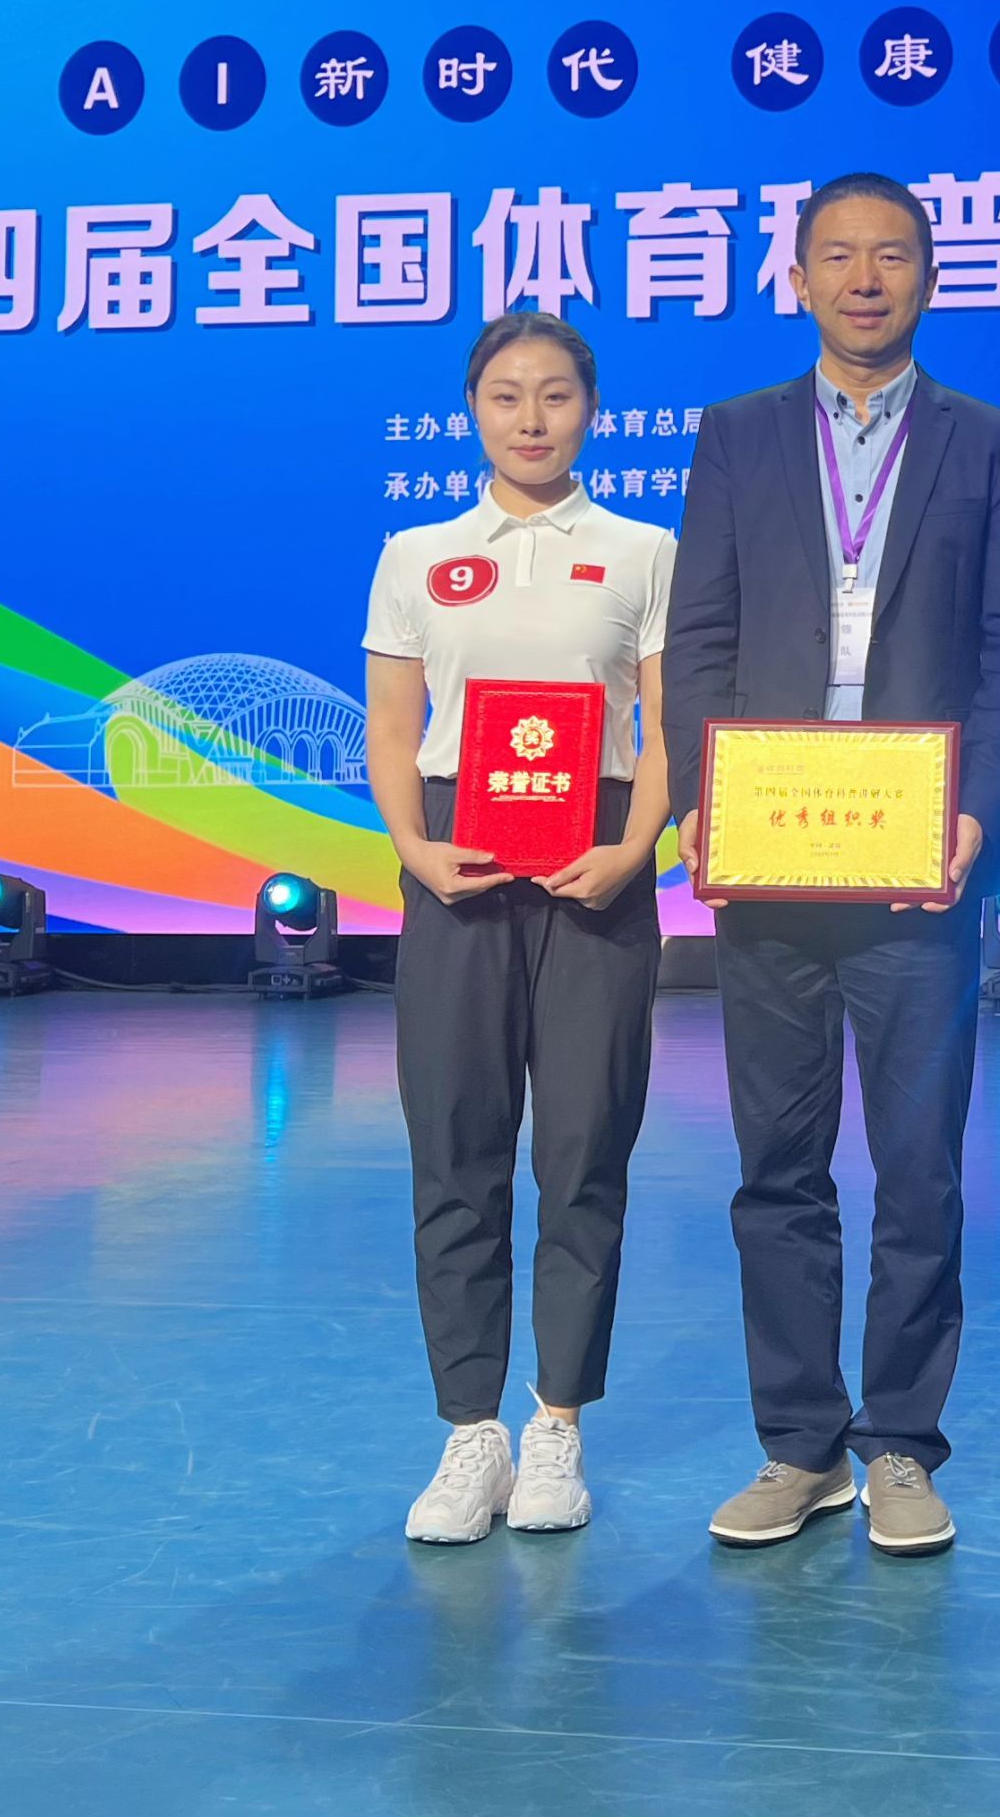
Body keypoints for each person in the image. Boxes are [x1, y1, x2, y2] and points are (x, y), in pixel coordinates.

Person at [663, 171, 1000, 1556]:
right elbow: (699, 633)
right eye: (838, 255)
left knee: (919, 1164)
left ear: (930, 276)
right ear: (799, 277)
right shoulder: (737, 432)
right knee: (777, 1163)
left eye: (891, 255)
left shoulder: (988, 440)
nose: (865, 278)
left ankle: (900, 1445)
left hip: (913, 857)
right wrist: (702, 793)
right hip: (769, 848)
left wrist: (976, 810)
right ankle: (798, 1443)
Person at [365, 314, 674, 1545]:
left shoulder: (643, 550)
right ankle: (467, 1430)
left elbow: (665, 726)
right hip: (459, 867)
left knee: (585, 1146)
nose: (530, 417)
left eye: (554, 394)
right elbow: (394, 727)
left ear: (590, 409)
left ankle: (556, 1423)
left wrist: (634, 846)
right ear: (471, 409)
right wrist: (413, 845)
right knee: (455, 1147)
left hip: (596, 860)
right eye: (505, 394)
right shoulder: (416, 553)